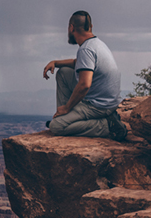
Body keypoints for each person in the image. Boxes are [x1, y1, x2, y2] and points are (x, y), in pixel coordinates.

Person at [42, 10, 128, 140]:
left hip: (98, 106)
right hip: (107, 100)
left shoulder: (86, 49)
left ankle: (107, 125)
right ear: (91, 27)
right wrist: (55, 62)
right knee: (64, 73)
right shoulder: (96, 43)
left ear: (71, 28)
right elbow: (79, 63)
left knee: (57, 127)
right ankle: (67, 117)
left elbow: (84, 85)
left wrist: (66, 107)